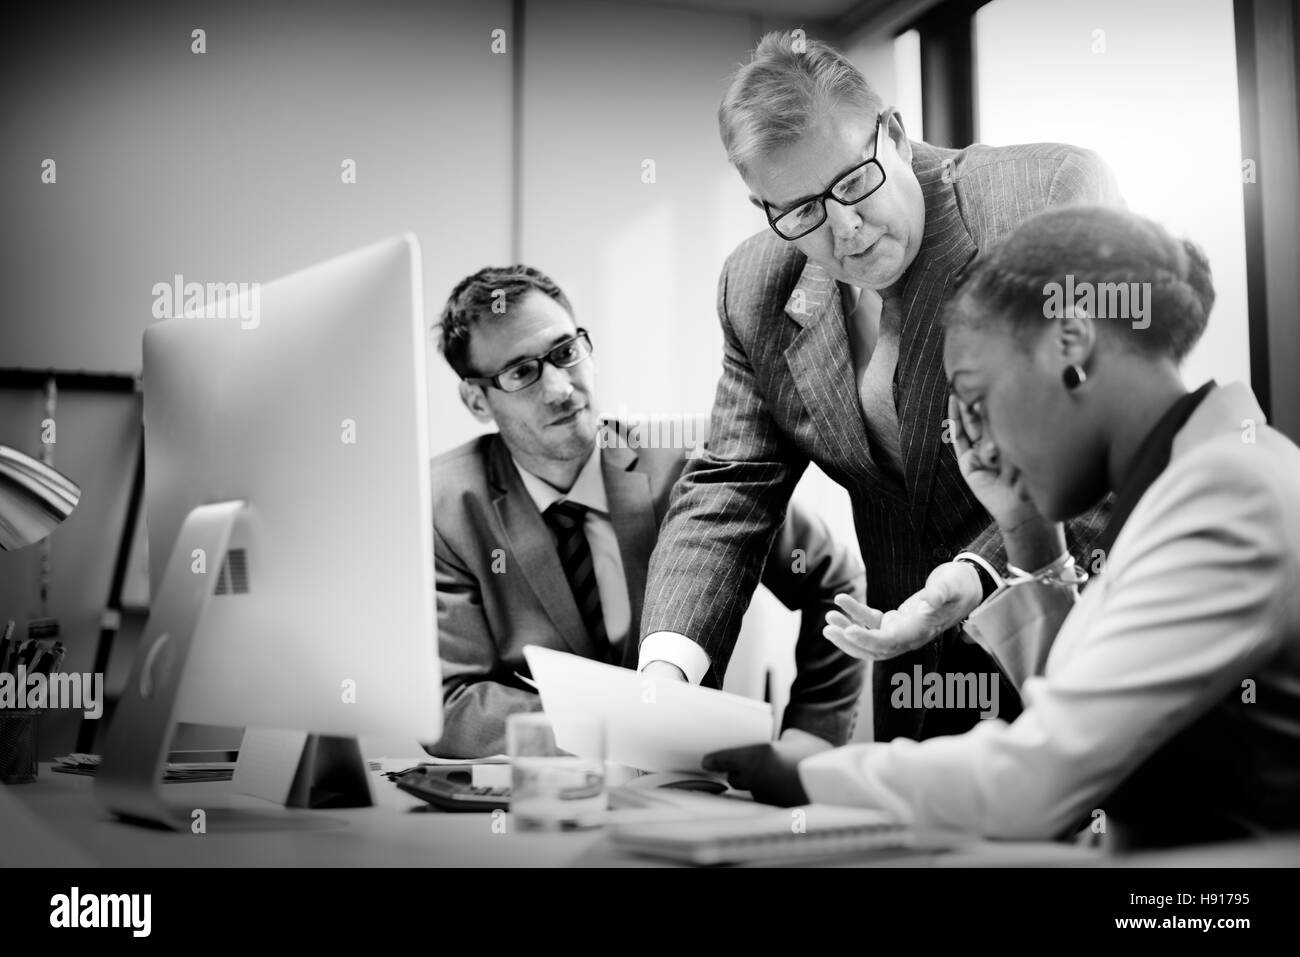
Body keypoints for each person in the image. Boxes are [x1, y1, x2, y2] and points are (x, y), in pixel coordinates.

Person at [704, 205, 1300, 847]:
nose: (979, 449)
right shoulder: (1195, 479)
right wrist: (1024, 529)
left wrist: (813, 771)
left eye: (977, 400)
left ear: (1070, 346)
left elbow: (1039, 781)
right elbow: (1080, 718)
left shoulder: (1225, 492)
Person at [638, 31, 1123, 742]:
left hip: (1085, 642)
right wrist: (666, 676)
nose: (846, 229)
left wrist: (973, 574)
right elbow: (731, 485)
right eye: (800, 211)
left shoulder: (1043, 199)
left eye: (852, 182)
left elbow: (1101, 434)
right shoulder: (755, 288)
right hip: (917, 674)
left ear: (892, 133)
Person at [425, 265, 866, 758]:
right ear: (476, 400)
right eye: (521, 373)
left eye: (565, 353)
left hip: (694, 783)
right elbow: (450, 703)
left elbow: (834, 582)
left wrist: (811, 734)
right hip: (544, 793)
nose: (559, 388)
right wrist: (611, 728)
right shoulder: (446, 506)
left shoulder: (689, 463)